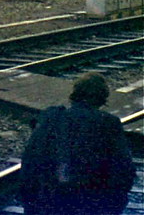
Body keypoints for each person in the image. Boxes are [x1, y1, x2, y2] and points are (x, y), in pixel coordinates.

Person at [20, 72, 135, 215]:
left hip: (49, 201)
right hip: (90, 202)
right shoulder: (108, 123)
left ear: (75, 94)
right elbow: (123, 167)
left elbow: (30, 160)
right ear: (102, 98)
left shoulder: (52, 118)